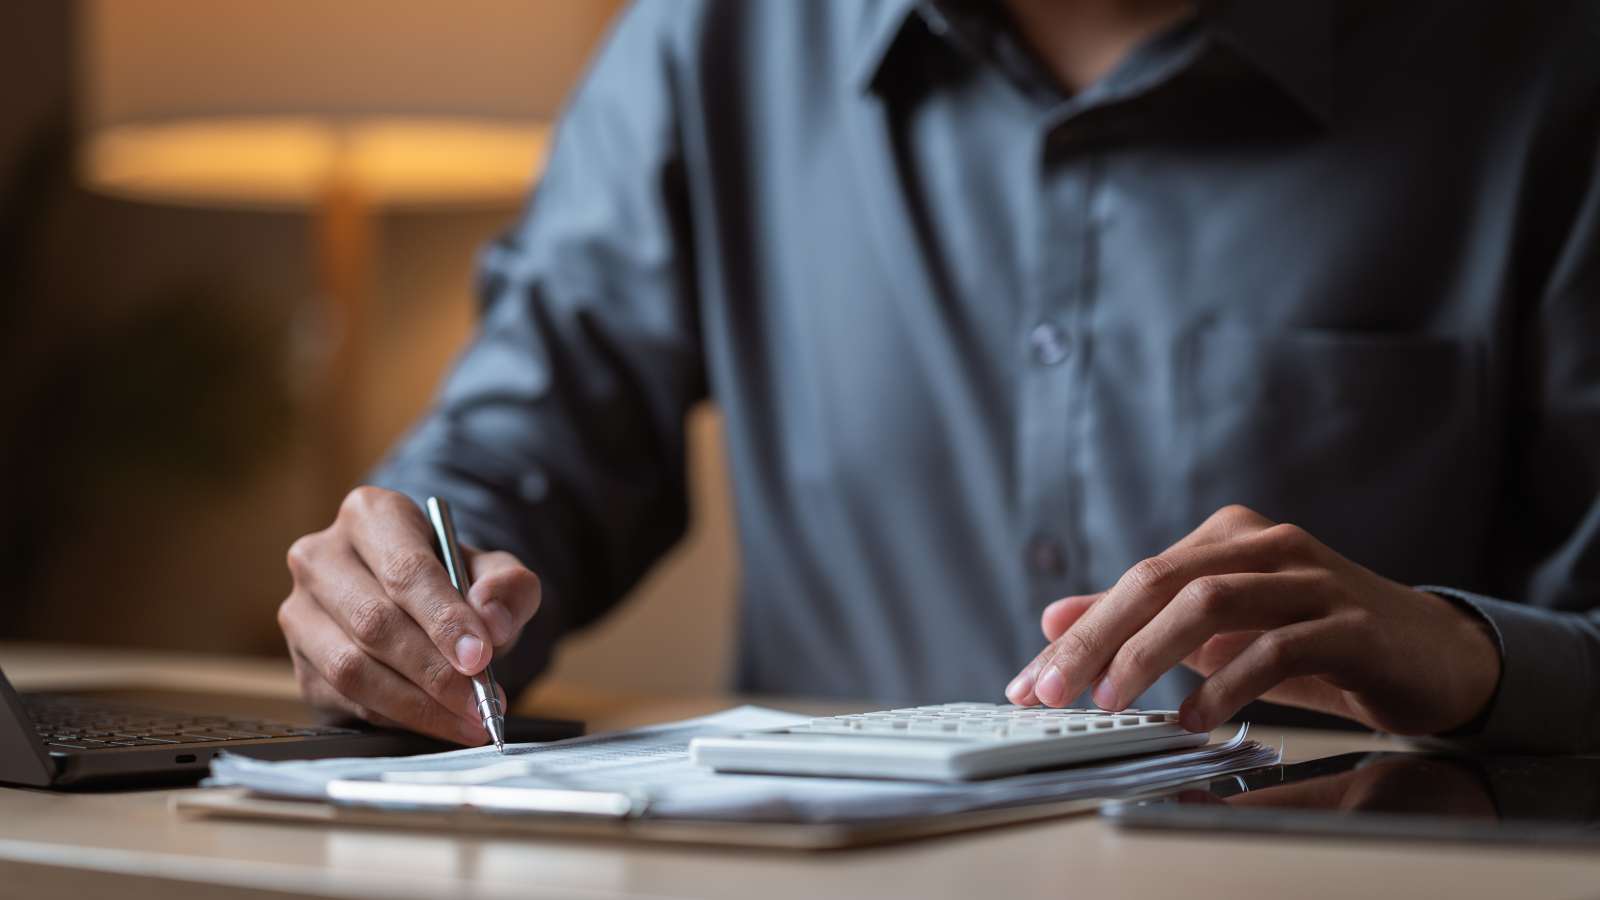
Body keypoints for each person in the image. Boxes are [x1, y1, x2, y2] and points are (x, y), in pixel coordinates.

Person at [277, 0, 1600, 752]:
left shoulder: (1549, 70)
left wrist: (1473, 655)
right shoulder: (711, 40)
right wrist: (404, 596)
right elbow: (518, 455)